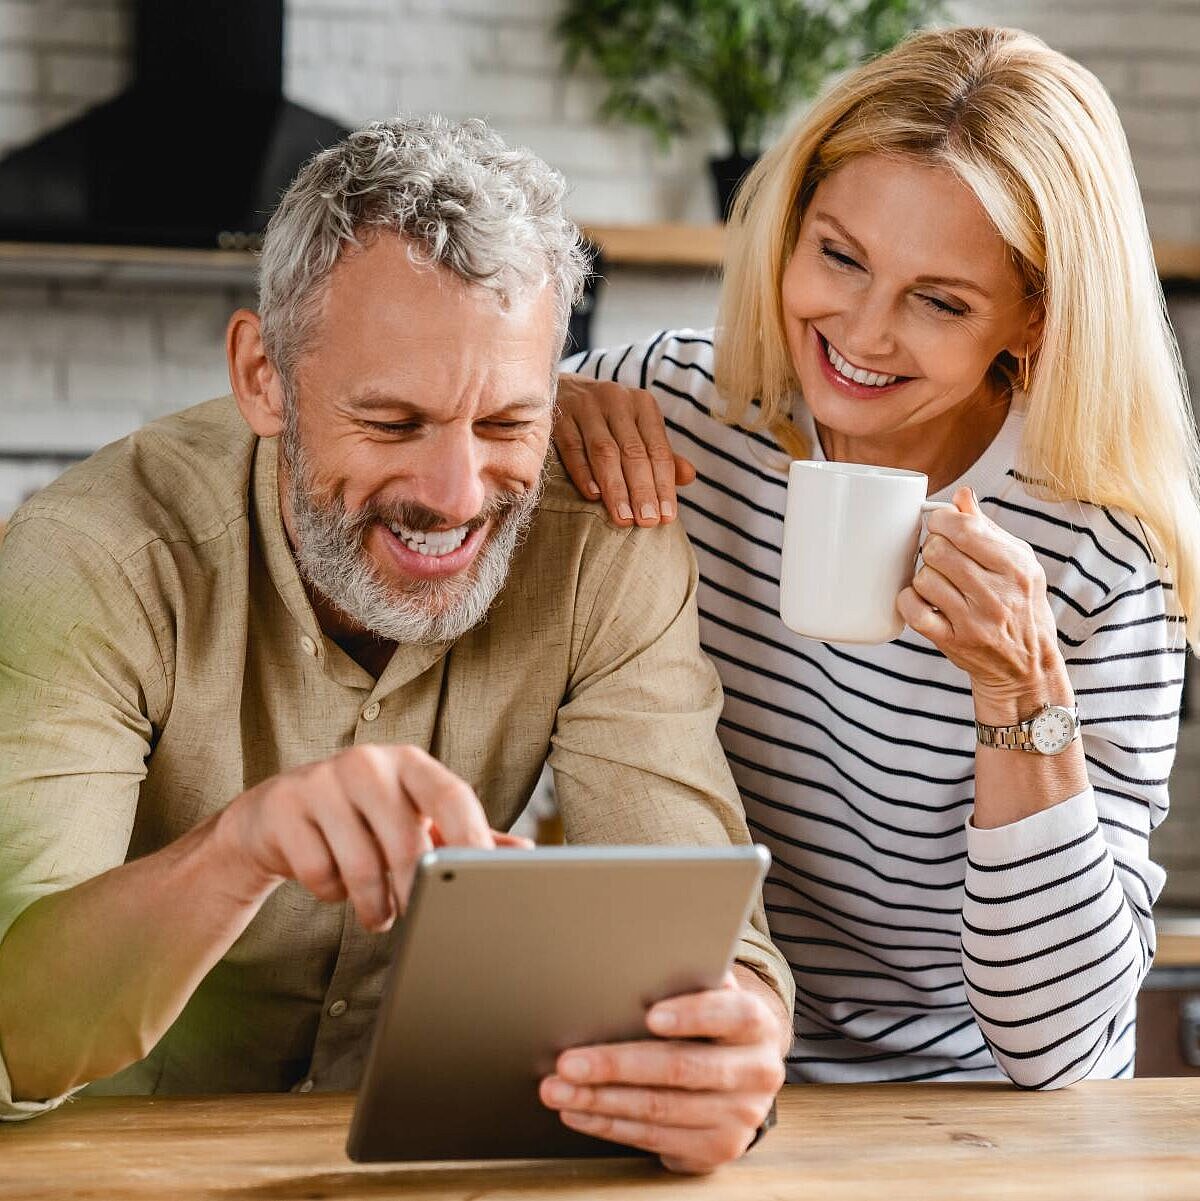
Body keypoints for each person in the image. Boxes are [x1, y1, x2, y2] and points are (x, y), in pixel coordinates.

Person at [0, 117, 793, 1174]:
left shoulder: (605, 543)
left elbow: (707, 940)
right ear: (263, 378)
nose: (457, 497)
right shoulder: (94, 555)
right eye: (392, 422)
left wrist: (731, 1055)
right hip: (117, 1166)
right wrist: (239, 848)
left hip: (434, 1167)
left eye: (508, 423)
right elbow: (16, 1023)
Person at [556, 25, 1200, 1088]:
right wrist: (533, 407)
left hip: (956, 1115)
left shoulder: (1100, 555)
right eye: (838, 256)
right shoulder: (676, 409)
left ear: (1033, 318)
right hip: (679, 1058)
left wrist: (1022, 690)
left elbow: (1068, 1053)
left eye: (940, 301)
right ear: (789, 228)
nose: (859, 333)